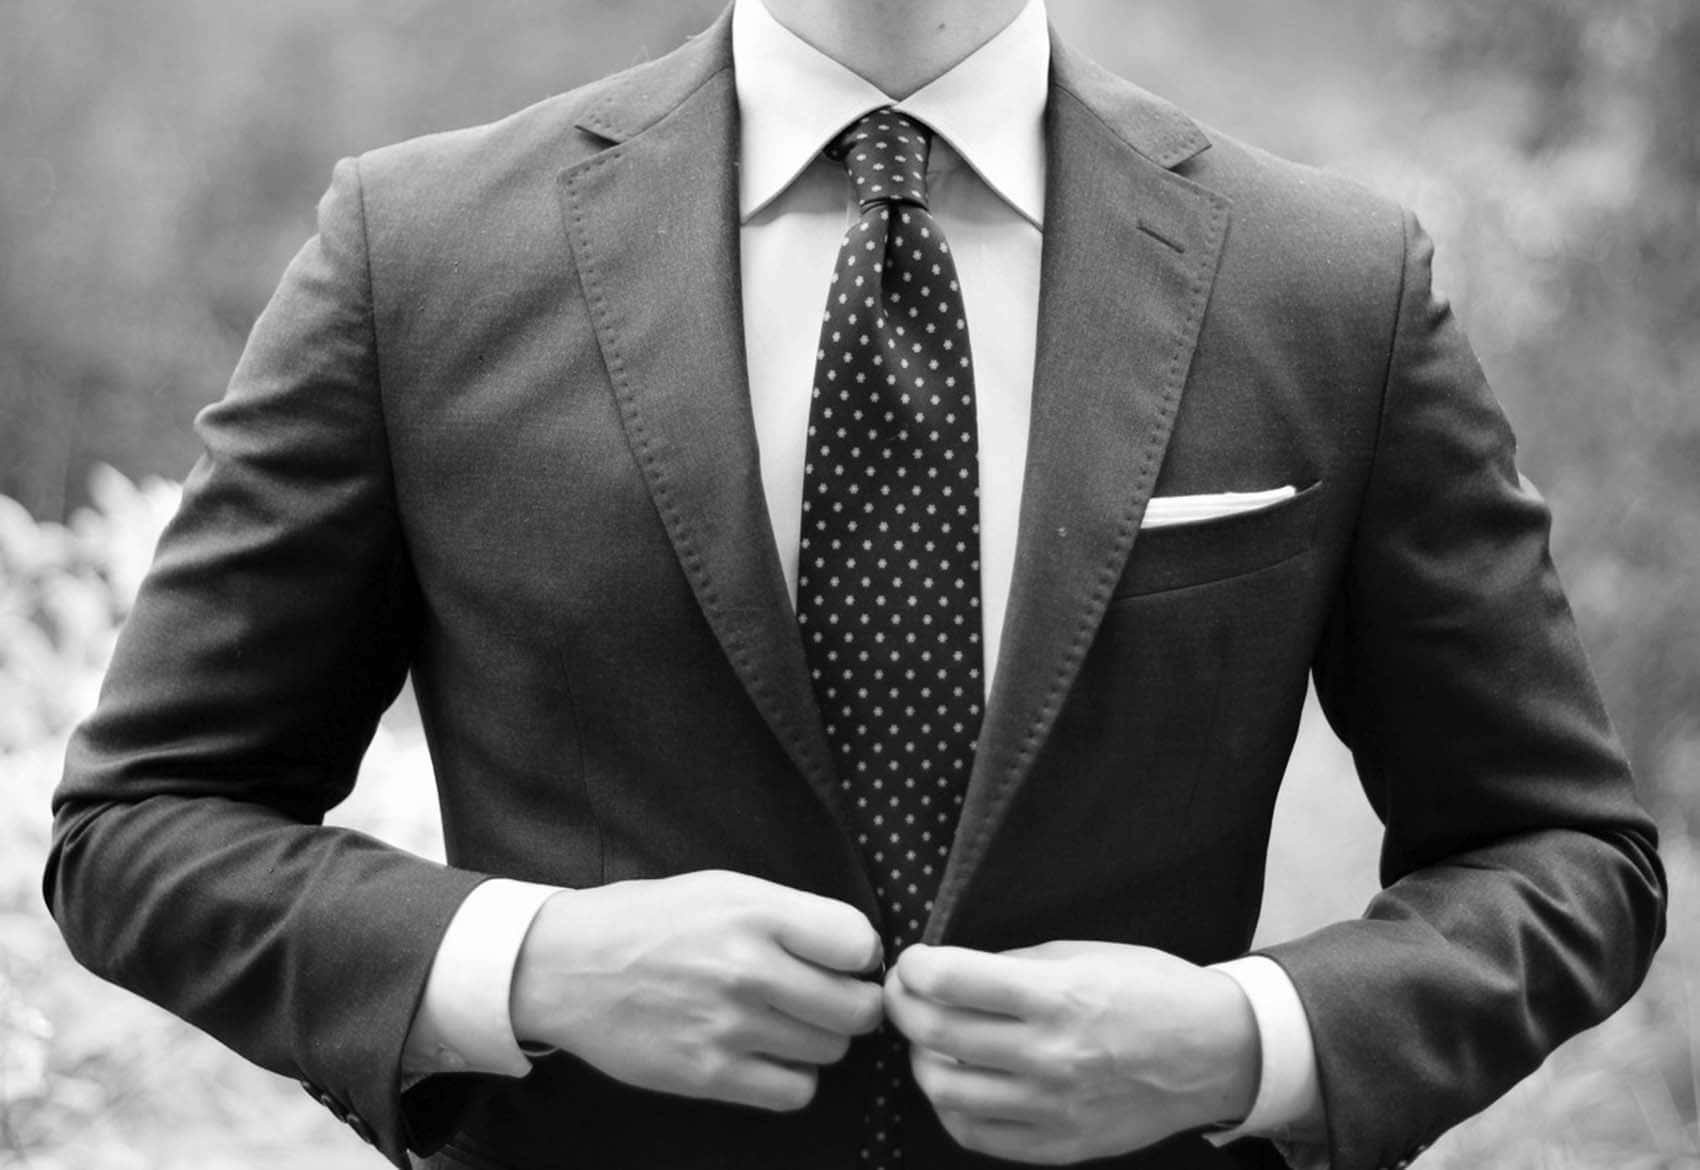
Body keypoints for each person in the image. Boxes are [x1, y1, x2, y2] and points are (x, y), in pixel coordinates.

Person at [45, 1, 1666, 1168]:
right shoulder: (419, 252)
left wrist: (1244, 1038)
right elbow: (143, 825)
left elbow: (1563, 849)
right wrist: (537, 962)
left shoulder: (1326, 281)